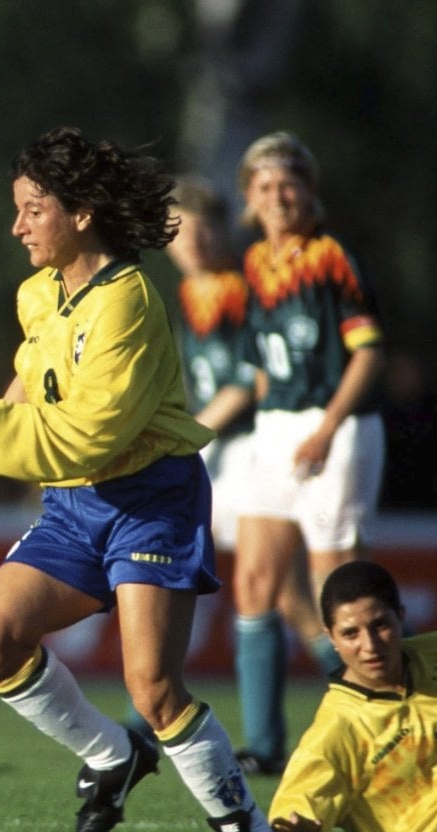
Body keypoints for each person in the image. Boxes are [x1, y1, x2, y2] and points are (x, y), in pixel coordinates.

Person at [0, 126, 285, 832]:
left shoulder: (129, 304)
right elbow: (34, 375)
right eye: (16, 209)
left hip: (150, 499)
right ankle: (112, 757)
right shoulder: (39, 292)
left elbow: (86, 437)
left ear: (82, 212)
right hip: (73, 504)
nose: (16, 226)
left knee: (151, 684)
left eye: (32, 209)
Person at [165, 175, 336, 775]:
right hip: (219, 450)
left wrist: (189, 433)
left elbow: (249, 378)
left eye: (204, 229)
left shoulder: (239, 289)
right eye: (181, 232)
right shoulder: (192, 296)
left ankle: (370, 684)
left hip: (248, 449)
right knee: (274, 589)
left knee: (278, 586)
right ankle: (272, 730)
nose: (194, 242)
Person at [229, 132, 387, 776]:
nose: (278, 195)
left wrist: (326, 425)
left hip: (335, 424)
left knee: (337, 588)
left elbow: (369, 351)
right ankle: (265, 744)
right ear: (249, 198)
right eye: (264, 186)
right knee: (255, 583)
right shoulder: (256, 266)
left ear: (311, 191)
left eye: (289, 182)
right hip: (276, 427)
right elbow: (262, 367)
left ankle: (382, 721)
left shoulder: (330, 257)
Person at [268, 559, 437, 832]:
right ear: (330, 637)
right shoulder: (336, 730)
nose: (369, 646)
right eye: (350, 633)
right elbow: (292, 814)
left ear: (401, 618)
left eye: (380, 625)